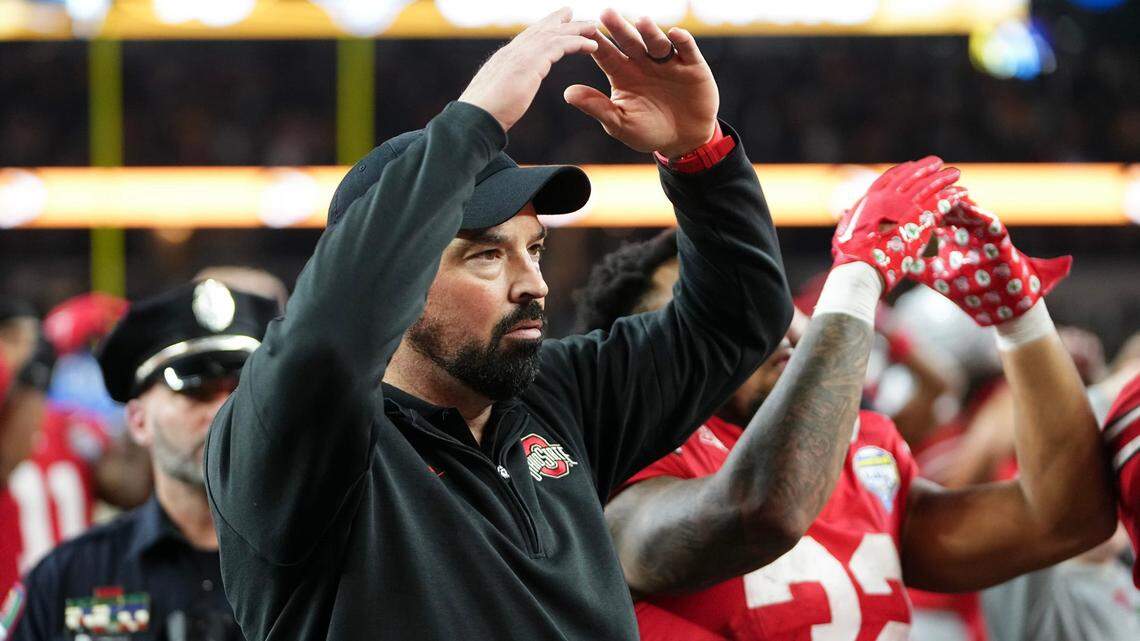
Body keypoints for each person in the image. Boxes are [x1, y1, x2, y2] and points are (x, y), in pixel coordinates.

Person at [204, 8, 792, 641]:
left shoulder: (557, 398)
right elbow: (324, 342)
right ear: (398, 274)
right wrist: (473, 122)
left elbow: (736, 322)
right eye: (486, 255)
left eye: (533, 249)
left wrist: (699, 155)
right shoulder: (303, 441)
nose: (533, 283)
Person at [588, 177, 1115, 640]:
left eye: (763, 295)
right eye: (710, 308)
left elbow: (1066, 521)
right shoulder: (625, 468)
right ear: (648, 362)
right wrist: (859, 277)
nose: (759, 320)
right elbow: (764, 511)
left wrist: (1019, 317)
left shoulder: (863, 449)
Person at [3, 280, 278, 641]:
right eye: (196, 392)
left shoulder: (320, 568)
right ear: (138, 421)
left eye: (239, 392)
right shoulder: (68, 580)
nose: (222, 413)